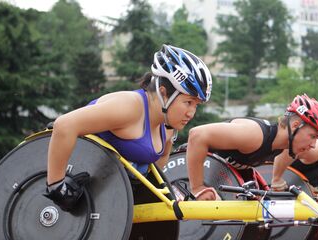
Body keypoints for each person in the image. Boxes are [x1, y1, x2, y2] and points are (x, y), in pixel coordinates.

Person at [44, 44, 212, 211]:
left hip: (104, 200)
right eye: (188, 102)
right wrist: (57, 187)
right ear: (163, 93)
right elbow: (64, 125)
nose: (191, 113)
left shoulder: (167, 127)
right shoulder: (129, 107)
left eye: (196, 105)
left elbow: (157, 169)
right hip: (63, 188)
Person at [186, 94, 318, 200]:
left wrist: (305, 201)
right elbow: (197, 135)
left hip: (216, 179)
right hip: (184, 174)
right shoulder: (255, 135)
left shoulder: (284, 147)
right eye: (313, 136)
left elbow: (274, 184)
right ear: (294, 126)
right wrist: (198, 188)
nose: (313, 145)